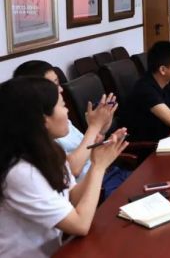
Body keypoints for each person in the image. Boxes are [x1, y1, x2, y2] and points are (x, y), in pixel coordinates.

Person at [0, 77, 127, 257]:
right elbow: (80, 225)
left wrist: (97, 162)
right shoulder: (20, 171)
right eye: (62, 105)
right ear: (43, 119)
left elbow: (72, 196)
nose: (67, 111)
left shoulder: (49, 150)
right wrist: (99, 167)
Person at [12, 61, 114, 180]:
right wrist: (94, 127)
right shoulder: (39, 132)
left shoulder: (59, 116)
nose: (60, 89)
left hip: (104, 174)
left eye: (58, 83)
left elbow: (87, 149)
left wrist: (100, 131)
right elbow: (72, 169)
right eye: (54, 85)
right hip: (94, 184)